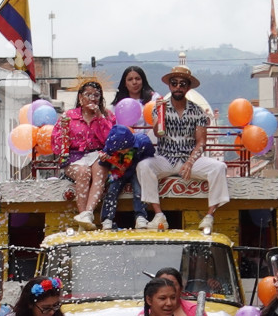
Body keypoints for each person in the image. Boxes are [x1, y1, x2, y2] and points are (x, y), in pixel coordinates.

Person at [136, 65, 229, 231]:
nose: (178, 87)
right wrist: (160, 117)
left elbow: (201, 141)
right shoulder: (160, 106)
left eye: (182, 84)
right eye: (174, 83)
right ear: (169, 86)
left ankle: (209, 216)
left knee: (219, 167)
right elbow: (158, 133)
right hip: (165, 158)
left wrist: (190, 162)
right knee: (143, 166)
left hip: (189, 159)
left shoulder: (197, 111)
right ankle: (159, 214)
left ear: (188, 87)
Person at [51, 81, 116, 230]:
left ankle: (87, 214)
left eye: (96, 95)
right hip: (74, 157)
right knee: (83, 172)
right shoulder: (68, 116)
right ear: (80, 97)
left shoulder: (107, 115)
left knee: (100, 169)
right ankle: (83, 215)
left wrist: (99, 118)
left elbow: (109, 140)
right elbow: (57, 142)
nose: (92, 99)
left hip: (97, 154)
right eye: (88, 95)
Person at [98, 126, 154, 230]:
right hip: (117, 171)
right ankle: (107, 219)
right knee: (111, 191)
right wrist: (105, 159)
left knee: (138, 190)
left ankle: (141, 216)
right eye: (119, 150)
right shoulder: (110, 147)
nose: (122, 152)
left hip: (136, 169)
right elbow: (103, 163)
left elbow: (150, 159)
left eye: (124, 149)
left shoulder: (143, 142)